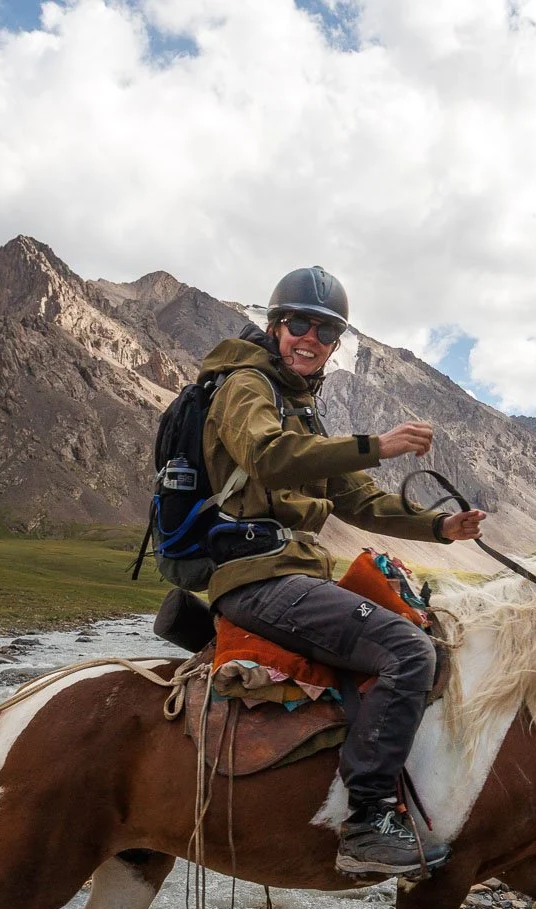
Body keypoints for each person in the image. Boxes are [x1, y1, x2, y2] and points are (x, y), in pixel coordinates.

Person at [199, 266, 487, 877]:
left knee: (418, 628)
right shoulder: (246, 386)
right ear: (275, 326)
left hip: (285, 571)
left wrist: (440, 529)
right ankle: (368, 819)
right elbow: (267, 457)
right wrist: (377, 445)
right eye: (298, 323)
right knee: (408, 652)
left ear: (334, 342)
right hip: (256, 575)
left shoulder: (298, 409)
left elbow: (359, 500)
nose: (310, 337)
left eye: (325, 330)